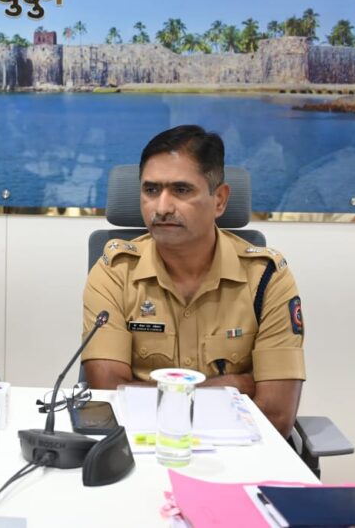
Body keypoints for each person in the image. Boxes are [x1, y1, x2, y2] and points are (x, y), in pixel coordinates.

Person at [81, 125, 305, 437]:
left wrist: (147, 395)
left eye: (182, 190)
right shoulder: (114, 272)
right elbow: (109, 394)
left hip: (240, 454)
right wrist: (232, 386)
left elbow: (277, 414)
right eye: (151, 190)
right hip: (138, 449)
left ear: (220, 200)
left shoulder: (267, 278)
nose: (162, 207)